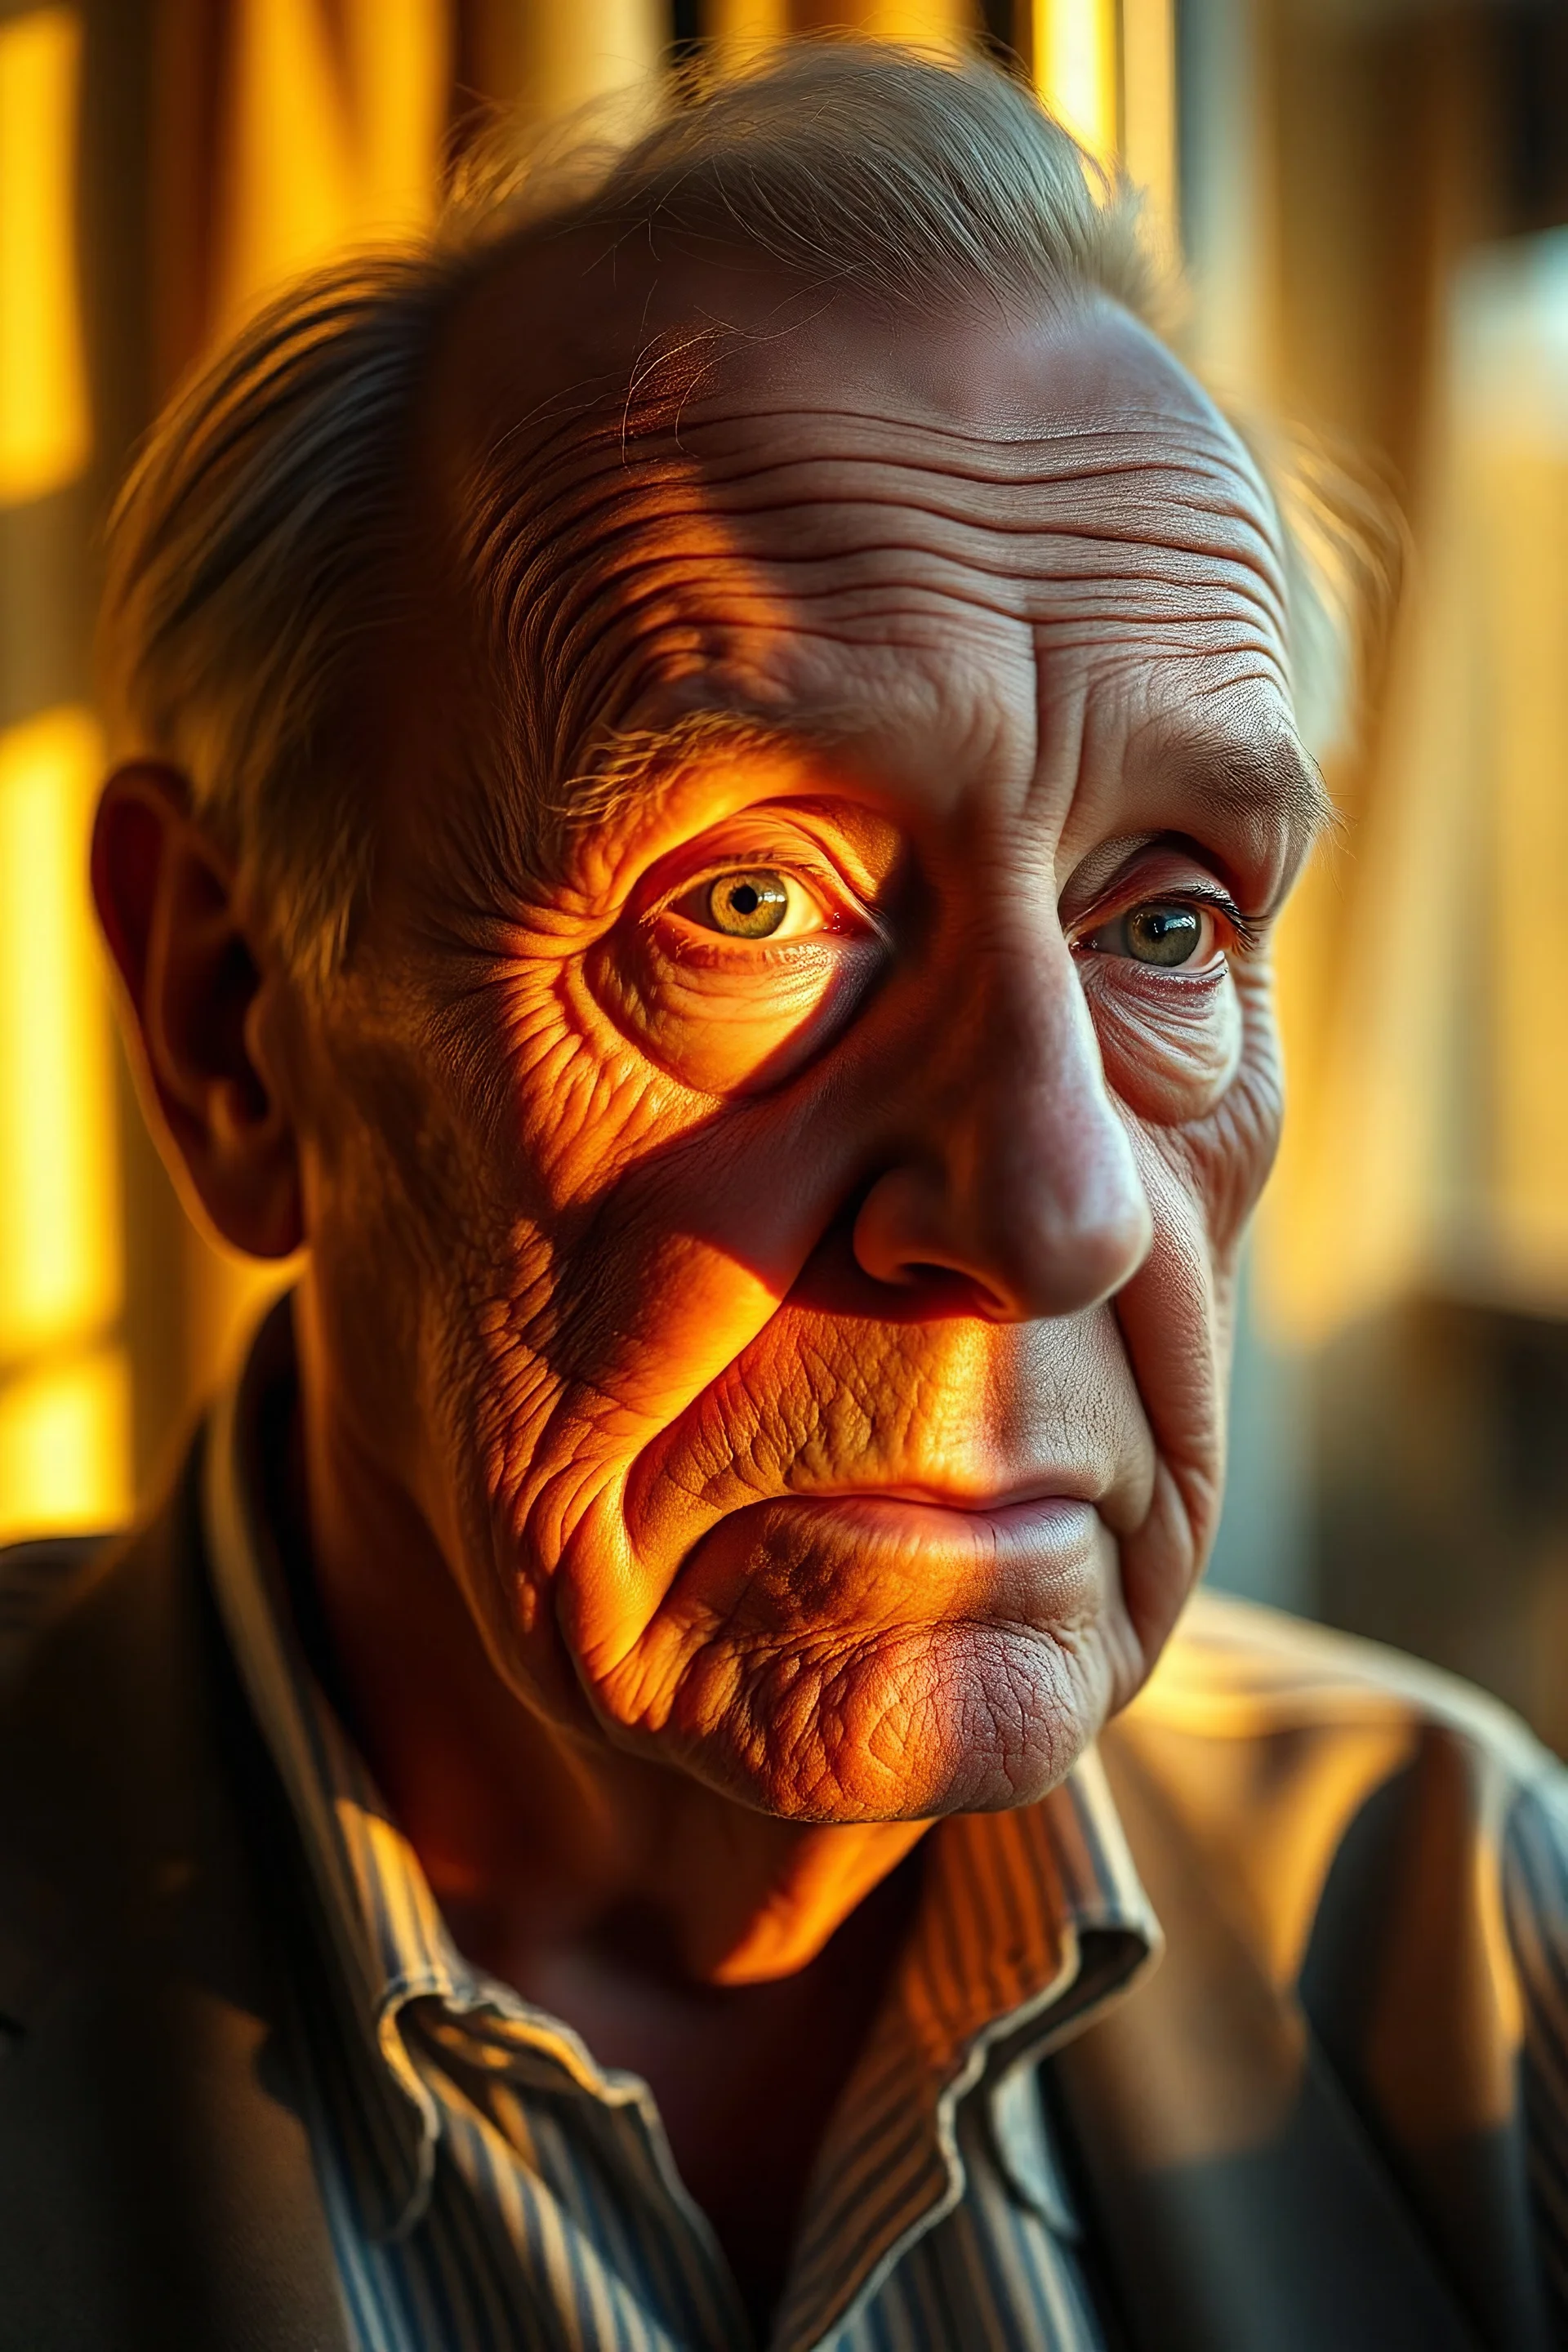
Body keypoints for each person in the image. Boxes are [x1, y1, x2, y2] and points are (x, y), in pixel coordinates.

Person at [2, 42, 1564, 2352]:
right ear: (231, 1021)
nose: (1058, 1208)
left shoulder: (1467, 1926)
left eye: (1166, 924)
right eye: (749, 905)